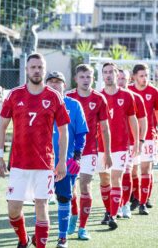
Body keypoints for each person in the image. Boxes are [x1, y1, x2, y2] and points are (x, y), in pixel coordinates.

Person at [0, 53, 70, 248]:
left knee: (41, 205)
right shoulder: (14, 94)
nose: (36, 70)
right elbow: (2, 127)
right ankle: (23, 239)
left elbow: (63, 132)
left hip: (44, 163)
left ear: (44, 71)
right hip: (19, 164)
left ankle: (40, 244)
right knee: (13, 210)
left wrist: (62, 161)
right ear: (27, 70)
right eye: (33, 67)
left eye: (40, 67)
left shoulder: (54, 96)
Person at [66, 64, 111, 240]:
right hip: (70, 152)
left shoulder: (99, 99)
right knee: (70, 188)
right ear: (76, 79)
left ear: (93, 78)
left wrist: (106, 153)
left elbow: (105, 129)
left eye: (89, 76)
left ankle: (82, 227)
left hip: (90, 150)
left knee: (85, 186)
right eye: (82, 77)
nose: (86, 80)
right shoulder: (67, 97)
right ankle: (74, 216)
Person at [46, 71, 88, 248]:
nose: (55, 85)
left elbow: (80, 134)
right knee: (40, 200)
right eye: (51, 82)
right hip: (41, 162)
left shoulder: (74, 104)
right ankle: (40, 235)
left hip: (67, 161)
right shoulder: (40, 104)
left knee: (64, 197)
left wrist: (77, 158)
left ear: (65, 85)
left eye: (58, 82)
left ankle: (62, 237)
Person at [96, 62, 139, 230]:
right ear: (102, 75)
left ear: (116, 74)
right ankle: (109, 210)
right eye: (105, 72)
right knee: (104, 179)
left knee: (116, 178)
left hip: (121, 145)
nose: (108, 75)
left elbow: (132, 119)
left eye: (111, 72)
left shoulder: (127, 96)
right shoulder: (98, 96)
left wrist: (136, 142)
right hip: (101, 146)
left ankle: (113, 214)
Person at [117, 68, 147, 218]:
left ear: (129, 80)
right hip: (114, 143)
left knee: (132, 172)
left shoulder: (135, 97)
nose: (120, 81)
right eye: (119, 78)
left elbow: (143, 121)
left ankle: (133, 201)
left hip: (131, 143)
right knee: (114, 176)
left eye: (123, 78)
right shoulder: (106, 96)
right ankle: (117, 204)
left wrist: (140, 140)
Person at [128, 63, 158, 214]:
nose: (145, 78)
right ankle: (136, 197)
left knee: (146, 169)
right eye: (141, 76)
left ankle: (143, 203)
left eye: (146, 75)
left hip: (149, 136)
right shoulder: (128, 91)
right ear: (134, 77)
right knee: (133, 171)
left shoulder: (154, 91)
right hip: (132, 138)